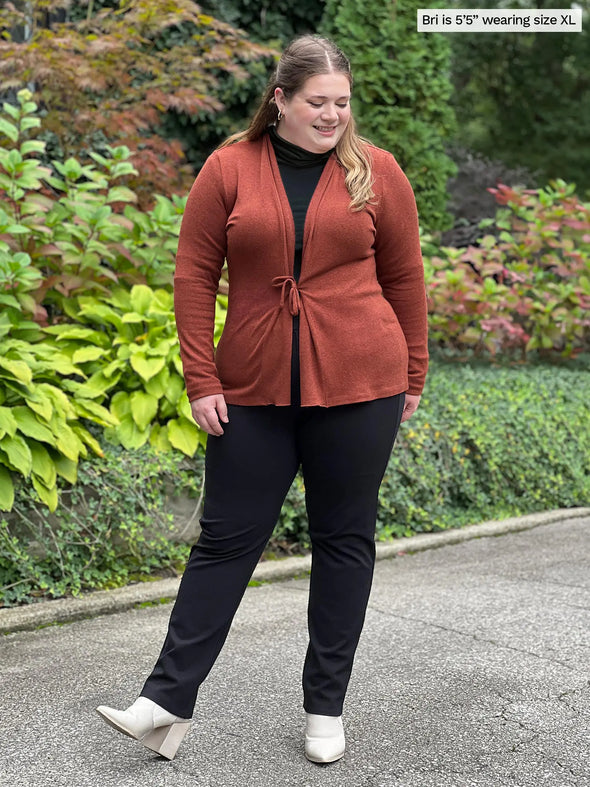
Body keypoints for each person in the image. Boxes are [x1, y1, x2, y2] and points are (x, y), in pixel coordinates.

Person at [96, 33, 428, 765]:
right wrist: (200, 378)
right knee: (225, 539)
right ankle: (165, 702)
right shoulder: (228, 167)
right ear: (279, 99)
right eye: (318, 102)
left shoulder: (378, 171)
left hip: (361, 383)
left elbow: (404, 278)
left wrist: (413, 371)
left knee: (344, 540)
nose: (332, 115)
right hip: (250, 386)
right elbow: (192, 276)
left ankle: (325, 707)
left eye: (342, 103)